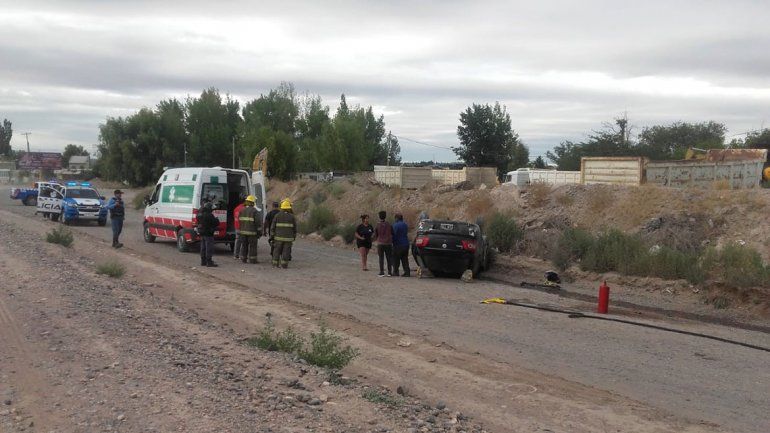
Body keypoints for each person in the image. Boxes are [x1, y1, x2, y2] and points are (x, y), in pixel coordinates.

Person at [271, 199, 296, 269]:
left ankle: (275, 264)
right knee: (286, 251)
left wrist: (272, 236)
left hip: (278, 238)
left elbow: (273, 227)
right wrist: (294, 236)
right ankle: (284, 265)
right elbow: (294, 228)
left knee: (276, 251)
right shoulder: (292, 216)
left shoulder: (277, 215)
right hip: (288, 239)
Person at [238, 195, 261, 264]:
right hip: (252, 233)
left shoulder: (242, 210)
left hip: (243, 233)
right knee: (253, 247)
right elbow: (258, 223)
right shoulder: (255, 211)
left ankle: (243, 259)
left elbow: (239, 220)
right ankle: (253, 260)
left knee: (244, 246)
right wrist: (259, 232)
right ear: (253, 203)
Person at [197, 201, 220, 267]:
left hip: (202, 233)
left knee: (203, 247)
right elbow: (216, 223)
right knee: (209, 247)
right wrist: (216, 219)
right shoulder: (209, 215)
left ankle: (203, 261)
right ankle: (209, 262)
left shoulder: (199, 214)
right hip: (208, 233)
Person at [373, 210, 393, 277]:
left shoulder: (378, 225)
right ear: (385, 216)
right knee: (389, 258)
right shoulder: (389, 224)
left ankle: (381, 272)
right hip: (388, 243)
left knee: (381, 258)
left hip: (380, 243)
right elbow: (392, 233)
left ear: (379, 217)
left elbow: (375, 235)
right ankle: (389, 272)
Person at [391, 213, 410, 277]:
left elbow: (394, 234)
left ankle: (396, 272)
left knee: (396, 259)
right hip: (406, 244)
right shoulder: (405, 225)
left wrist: (392, 242)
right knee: (405, 259)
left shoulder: (395, 225)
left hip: (398, 244)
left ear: (396, 218)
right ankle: (407, 272)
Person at [233, 194, 247, 259]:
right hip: (243, 227)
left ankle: (236, 255)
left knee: (237, 241)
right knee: (243, 242)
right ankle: (242, 256)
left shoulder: (236, 208)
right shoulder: (244, 209)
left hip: (237, 227)